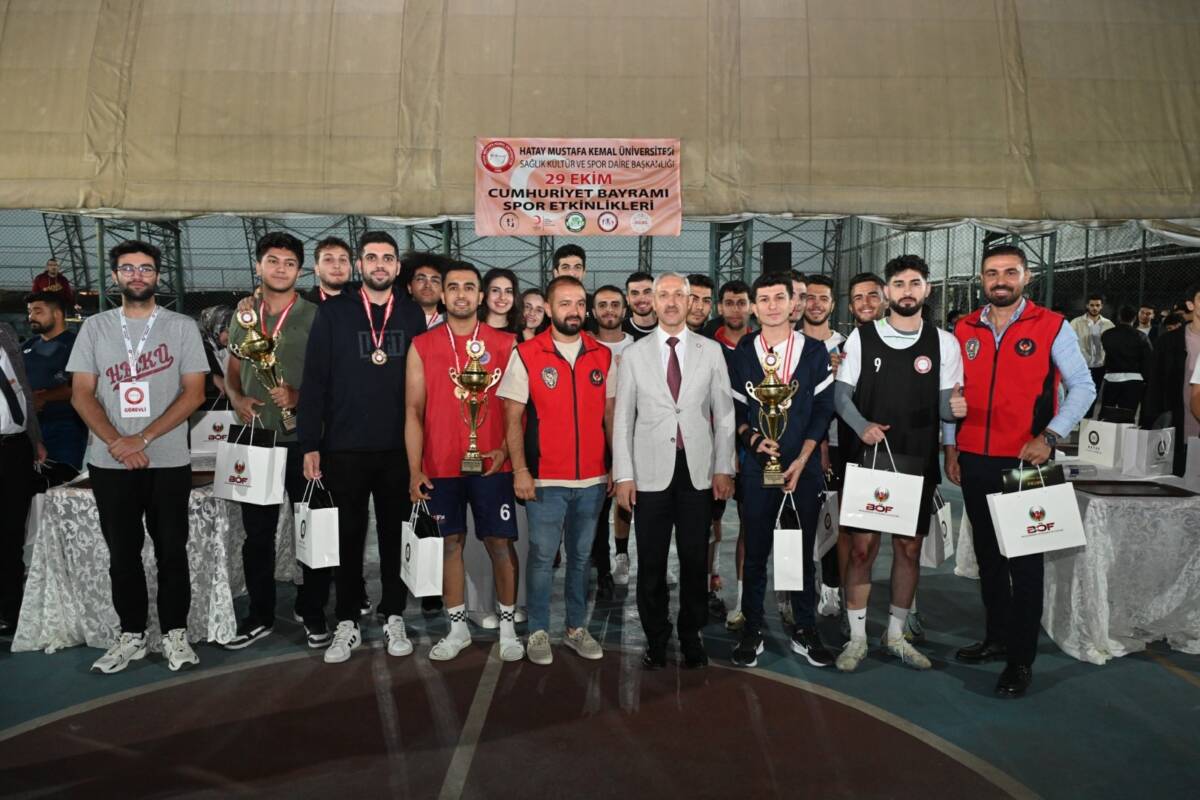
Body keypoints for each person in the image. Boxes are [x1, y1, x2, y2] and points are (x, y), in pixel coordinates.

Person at [945, 245, 1095, 698]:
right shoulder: (963, 327)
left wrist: (1049, 437)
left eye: (1010, 272)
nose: (1000, 280)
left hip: (1027, 462)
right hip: (974, 458)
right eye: (992, 273)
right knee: (989, 556)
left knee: (1025, 563)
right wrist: (952, 447)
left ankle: (1020, 660)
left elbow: (1083, 387)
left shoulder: (1052, 326)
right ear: (982, 279)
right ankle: (996, 637)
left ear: (1026, 277)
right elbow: (953, 393)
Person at [68, 240, 209, 673]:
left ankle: (175, 634)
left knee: (172, 550)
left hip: (166, 459)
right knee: (122, 553)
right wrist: (118, 442)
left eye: (145, 269)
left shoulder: (182, 327)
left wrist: (142, 439)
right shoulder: (94, 328)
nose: (137, 276)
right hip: (111, 462)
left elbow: (195, 393)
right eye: (127, 269)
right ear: (114, 277)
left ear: (157, 275)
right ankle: (131, 634)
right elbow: (81, 394)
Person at [298, 231, 427, 664]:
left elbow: (422, 389)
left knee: (394, 534)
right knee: (347, 537)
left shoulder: (411, 314)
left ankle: (393, 612)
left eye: (387, 258)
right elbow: (314, 379)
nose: (379, 265)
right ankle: (348, 619)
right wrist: (310, 443)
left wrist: (422, 449)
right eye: (371, 257)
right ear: (359, 264)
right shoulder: (333, 312)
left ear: (396, 267)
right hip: (344, 447)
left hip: (396, 448)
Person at [833, 255, 966, 673]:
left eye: (915, 282)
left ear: (927, 289)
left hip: (916, 460)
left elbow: (947, 408)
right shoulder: (861, 338)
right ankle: (856, 638)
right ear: (887, 291)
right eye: (899, 283)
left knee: (908, 548)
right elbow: (841, 396)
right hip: (869, 456)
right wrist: (862, 426)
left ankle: (895, 635)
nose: (907, 290)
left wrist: (956, 410)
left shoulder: (944, 342)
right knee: (861, 549)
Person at [613, 273, 736, 670]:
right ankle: (656, 637)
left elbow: (725, 415)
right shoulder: (633, 354)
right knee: (649, 562)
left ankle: (691, 634)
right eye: (661, 294)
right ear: (651, 300)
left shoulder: (710, 351)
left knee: (694, 560)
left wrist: (723, 467)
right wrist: (623, 475)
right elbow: (622, 420)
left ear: (690, 302)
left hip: (697, 472)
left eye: (676, 295)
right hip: (649, 474)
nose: (669, 302)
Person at [407, 261, 524, 662]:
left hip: (493, 464)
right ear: (441, 294)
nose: (460, 294)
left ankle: (508, 627)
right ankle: (457, 628)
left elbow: (516, 409)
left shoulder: (506, 344)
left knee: (499, 543)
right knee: (449, 545)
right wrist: (414, 468)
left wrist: (506, 451)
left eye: (469, 287)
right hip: (439, 466)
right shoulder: (422, 345)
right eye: (452, 286)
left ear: (480, 295)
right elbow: (413, 411)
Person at [222, 232, 332, 650]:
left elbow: (331, 378)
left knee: (313, 528)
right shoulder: (243, 315)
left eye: (289, 262)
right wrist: (236, 398)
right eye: (272, 261)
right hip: (256, 439)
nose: (280, 268)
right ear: (259, 266)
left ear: (299, 270)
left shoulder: (316, 316)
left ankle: (313, 609)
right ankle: (260, 614)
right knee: (257, 534)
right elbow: (231, 370)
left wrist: (301, 398)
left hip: (304, 440)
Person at [499, 275, 614, 666]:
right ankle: (538, 631)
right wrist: (520, 470)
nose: (574, 311)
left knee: (582, 560)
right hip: (546, 480)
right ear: (548, 309)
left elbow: (610, 416)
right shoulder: (528, 353)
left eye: (580, 303)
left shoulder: (602, 354)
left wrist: (614, 466)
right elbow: (512, 418)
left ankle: (575, 627)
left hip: (593, 482)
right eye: (565, 303)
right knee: (543, 557)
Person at [728, 272, 836, 669]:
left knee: (801, 553)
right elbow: (737, 411)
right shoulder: (743, 352)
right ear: (754, 307)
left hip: (801, 470)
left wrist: (804, 458)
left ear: (795, 303)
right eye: (764, 299)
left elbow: (824, 410)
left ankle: (805, 629)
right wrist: (754, 441)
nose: (772, 305)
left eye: (779, 297)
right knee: (755, 552)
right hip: (759, 470)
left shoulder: (813, 351)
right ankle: (753, 627)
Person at [799, 274, 846, 623]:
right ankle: (792, 591)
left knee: (834, 519)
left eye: (822, 298)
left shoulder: (850, 345)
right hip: (798, 447)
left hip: (840, 445)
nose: (815, 304)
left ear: (832, 303)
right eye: (809, 298)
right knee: (793, 523)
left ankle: (831, 587)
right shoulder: (787, 343)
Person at [706, 279, 752, 628]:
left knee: (752, 524)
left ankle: (746, 599)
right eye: (730, 303)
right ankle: (711, 581)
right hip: (714, 448)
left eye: (742, 302)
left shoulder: (763, 345)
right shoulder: (707, 345)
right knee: (711, 521)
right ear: (720, 308)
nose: (736, 308)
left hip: (756, 449)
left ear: (750, 306)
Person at [1, 321, 45, 637]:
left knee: (12, 533)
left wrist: (34, 439)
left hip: (15, 448)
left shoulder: (5, 333)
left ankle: (11, 611)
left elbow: (23, 390)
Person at [591, 286, 635, 594]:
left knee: (628, 503)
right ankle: (602, 567)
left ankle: (622, 554)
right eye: (602, 305)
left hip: (635, 437)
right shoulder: (583, 346)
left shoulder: (639, 347)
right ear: (592, 312)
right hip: (595, 438)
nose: (609, 310)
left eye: (615, 305)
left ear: (625, 310)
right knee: (597, 508)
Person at [22, 292, 86, 476]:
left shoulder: (77, 344)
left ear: (57, 314)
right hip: (30, 429)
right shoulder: (27, 346)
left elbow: (80, 385)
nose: (31, 317)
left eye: (37, 311)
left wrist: (41, 398)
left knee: (60, 483)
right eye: (29, 312)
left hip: (65, 427)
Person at [1141, 282, 1200, 476]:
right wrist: (1149, 427)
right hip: (1176, 429)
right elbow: (1154, 386)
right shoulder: (1168, 342)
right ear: (1191, 305)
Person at [1099, 305, 1152, 418]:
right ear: (1134, 318)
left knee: (1106, 414)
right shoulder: (1141, 336)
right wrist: (1146, 379)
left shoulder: (1107, 334)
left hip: (1111, 377)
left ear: (1119, 317)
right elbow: (1148, 359)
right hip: (1134, 379)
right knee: (1128, 415)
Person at [1070, 293, 1114, 409]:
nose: (1095, 308)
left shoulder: (1108, 324)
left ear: (1101, 306)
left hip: (1100, 365)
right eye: (1092, 305)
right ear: (1087, 306)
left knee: (1094, 393)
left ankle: (1088, 420)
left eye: (1097, 305)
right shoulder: (1076, 323)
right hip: (1082, 365)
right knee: (1078, 394)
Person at [401, 252, 447, 329]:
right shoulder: (394, 321)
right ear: (409, 287)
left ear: (442, 291)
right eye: (421, 279)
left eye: (434, 281)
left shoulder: (452, 324)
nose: (427, 285)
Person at [197, 305, 234, 400]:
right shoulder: (196, 348)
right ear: (214, 328)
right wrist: (212, 378)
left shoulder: (233, 348)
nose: (231, 337)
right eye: (227, 332)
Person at [307, 237, 355, 303]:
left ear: (351, 268)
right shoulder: (303, 307)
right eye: (328, 259)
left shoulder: (366, 301)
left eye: (343, 260)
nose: (337, 266)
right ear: (317, 269)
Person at [480, 267, 522, 333]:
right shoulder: (471, 329)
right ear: (485, 293)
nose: (502, 297)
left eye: (508, 291)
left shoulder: (524, 334)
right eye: (495, 290)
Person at [623, 271, 657, 340]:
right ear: (627, 299)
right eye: (635, 293)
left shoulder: (668, 327)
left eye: (647, 292)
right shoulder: (620, 330)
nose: (642, 299)